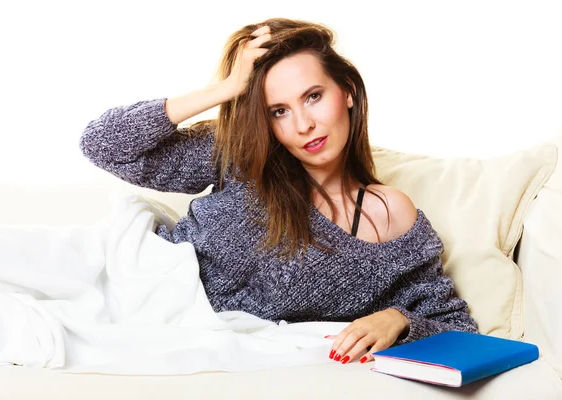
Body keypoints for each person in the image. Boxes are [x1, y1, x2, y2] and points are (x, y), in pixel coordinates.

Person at [79, 18, 478, 365]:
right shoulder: (243, 158)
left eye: (313, 97)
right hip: (121, 282)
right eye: (279, 111)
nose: (303, 124)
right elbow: (103, 145)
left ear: (348, 92)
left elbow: (459, 329)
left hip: (185, 343)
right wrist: (224, 89)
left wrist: (399, 319)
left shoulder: (388, 214)